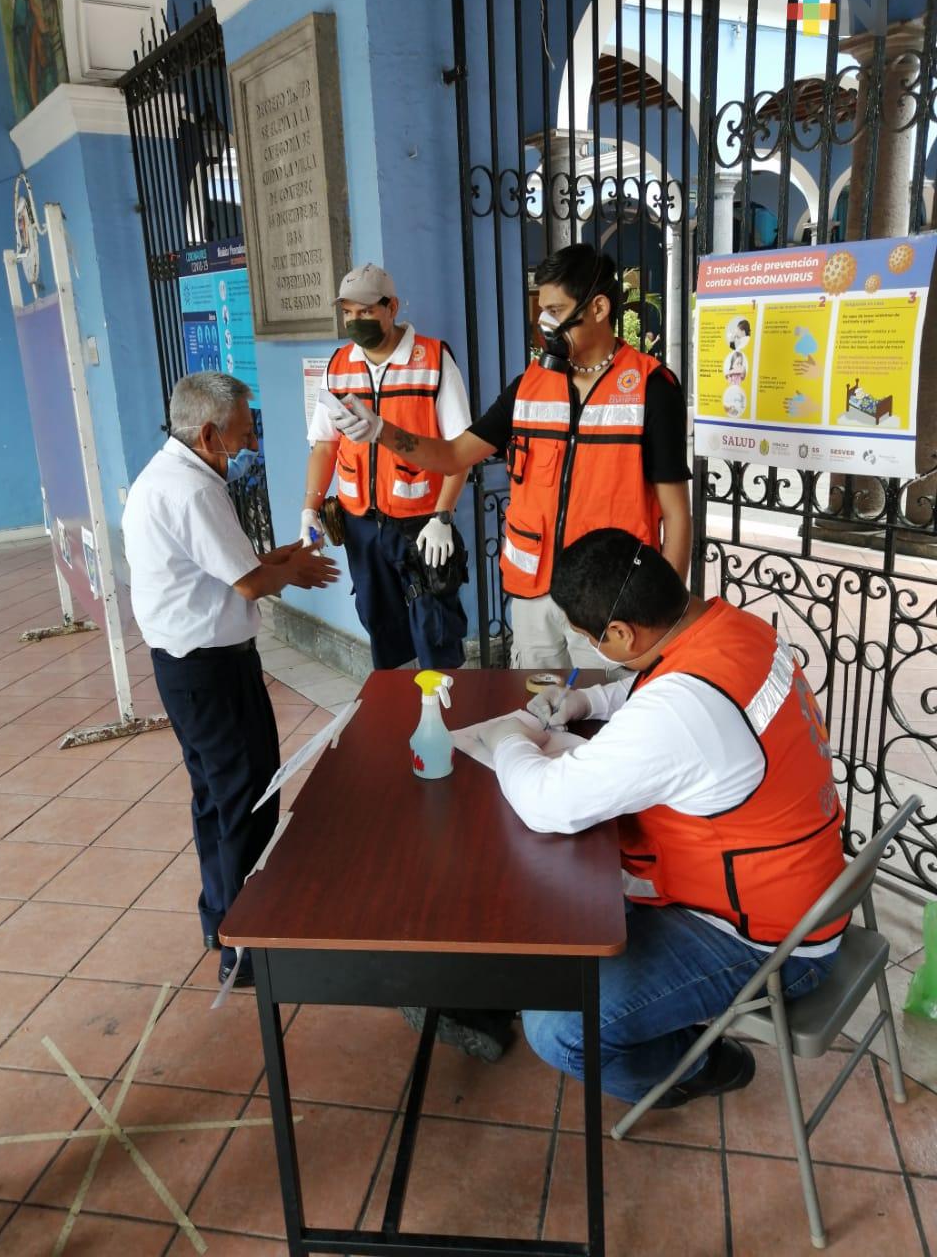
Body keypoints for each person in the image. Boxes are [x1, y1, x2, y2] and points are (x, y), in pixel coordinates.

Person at [473, 528, 845, 1107]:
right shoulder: (733, 630)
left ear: (621, 632)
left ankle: (695, 1067)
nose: (591, 648)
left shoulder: (684, 711)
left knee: (559, 1028)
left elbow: (546, 803)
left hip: (768, 940)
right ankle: (664, 1018)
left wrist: (505, 740)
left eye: (588, 638)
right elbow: (660, 687)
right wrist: (585, 702)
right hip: (799, 887)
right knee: (557, 908)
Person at [327, 245, 691, 669]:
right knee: (537, 713)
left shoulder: (652, 387)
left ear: (598, 307)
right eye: (542, 309)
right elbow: (453, 455)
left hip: (612, 599)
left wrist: (666, 611)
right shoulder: (529, 386)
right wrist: (381, 431)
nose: (545, 323)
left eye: (556, 310)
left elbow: (677, 515)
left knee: (604, 722)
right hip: (534, 593)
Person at [122, 372, 339, 987]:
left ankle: (220, 920)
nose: (249, 449)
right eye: (244, 437)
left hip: (186, 667)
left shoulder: (166, 477)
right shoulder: (192, 492)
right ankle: (245, 949)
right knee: (247, 798)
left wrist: (283, 560)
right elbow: (246, 583)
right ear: (210, 432)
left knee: (215, 797)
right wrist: (292, 572)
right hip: (210, 671)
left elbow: (223, 567)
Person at [303, 263, 471, 670]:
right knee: (382, 626)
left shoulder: (432, 359)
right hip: (360, 524)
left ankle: (448, 719)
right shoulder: (338, 366)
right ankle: (401, 714)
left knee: (435, 629)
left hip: (422, 525)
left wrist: (443, 515)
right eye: (348, 313)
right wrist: (310, 506)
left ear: (391, 307)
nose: (355, 321)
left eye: (365, 311)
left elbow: (460, 450)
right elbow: (325, 444)